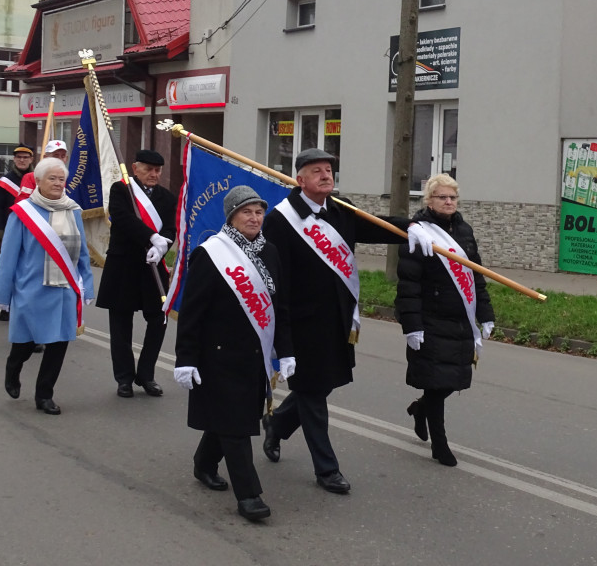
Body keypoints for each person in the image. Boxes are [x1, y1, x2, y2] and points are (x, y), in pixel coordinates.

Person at [260, 148, 434, 493]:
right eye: (317, 171)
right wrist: (284, 336)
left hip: (337, 320)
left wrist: (410, 228)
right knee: (311, 394)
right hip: (303, 323)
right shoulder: (281, 220)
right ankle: (327, 470)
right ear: (300, 180)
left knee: (320, 386)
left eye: (328, 170)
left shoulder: (339, 208)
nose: (326, 175)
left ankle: (277, 425)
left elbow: (372, 225)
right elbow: (276, 280)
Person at [174, 186, 294, 521]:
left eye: (259, 212)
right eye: (247, 212)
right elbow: (192, 312)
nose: (255, 218)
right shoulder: (211, 254)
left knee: (233, 418)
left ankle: (204, 463)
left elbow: (278, 307)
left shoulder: (269, 251)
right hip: (219, 355)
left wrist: (285, 352)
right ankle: (249, 495)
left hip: (254, 354)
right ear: (231, 216)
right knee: (236, 426)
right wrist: (185, 357)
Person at [395, 173, 495, 467]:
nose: (449, 201)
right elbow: (409, 284)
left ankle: (420, 409)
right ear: (429, 200)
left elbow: (475, 276)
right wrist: (411, 324)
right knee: (437, 383)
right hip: (431, 319)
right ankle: (440, 446)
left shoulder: (464, 231)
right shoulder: (418, 233)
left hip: (459, 319)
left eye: (452, 197)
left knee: (454, 379)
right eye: (442, 197)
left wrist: (485, 314)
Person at [0, 158, 94, 416]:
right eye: (53, 178)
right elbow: (8, 256)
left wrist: (87, 287)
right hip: (32, 290)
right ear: (37, 181)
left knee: (59, 345)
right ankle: (13, 366)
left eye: (62, 179)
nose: (59, 183)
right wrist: (3, 294)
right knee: (26, 343)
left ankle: (44, 395)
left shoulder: (73, 210)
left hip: (64, 292)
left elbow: (82, 253)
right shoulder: (23, 212)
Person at [96, 148, 176, 398]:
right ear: (135, 168)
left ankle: (146, 374)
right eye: (149, 169)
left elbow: (172, 226)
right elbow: (122, 218)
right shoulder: (121, 191)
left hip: (153, 265)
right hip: (125, 264)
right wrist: (152, 237)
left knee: (158, 320)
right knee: (121, 324)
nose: (154, 174)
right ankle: (124, 378)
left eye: (158, 170)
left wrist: (164, 245)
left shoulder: (167, 197)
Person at [0, 145, 35, 271]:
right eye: (19, 157)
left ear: (31, 159)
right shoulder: (5, 181)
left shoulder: (37, 180)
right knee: (7, 267)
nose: (22, 160)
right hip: (8, 229)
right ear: (14, 159)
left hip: (30, 231)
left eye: (25, 157)